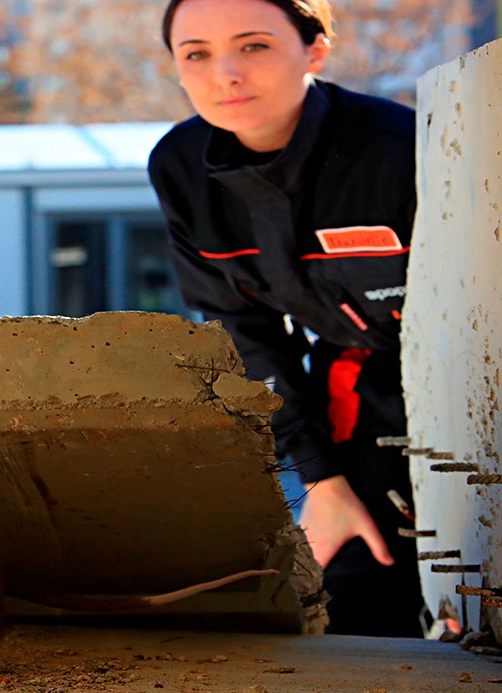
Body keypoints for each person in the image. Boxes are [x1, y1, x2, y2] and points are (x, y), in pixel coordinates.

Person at [147, 0, 427, 636]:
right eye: (197, 54)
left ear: (316, 50)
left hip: (466, 379)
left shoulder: (401, 152)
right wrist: (321, 478)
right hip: (350, 382)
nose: (226, 73)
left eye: (254, 46)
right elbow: (243, 333)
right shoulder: (182, 169)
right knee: (356, 592)